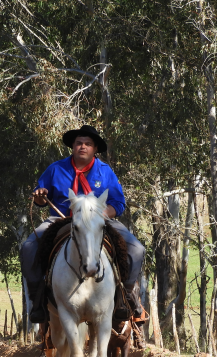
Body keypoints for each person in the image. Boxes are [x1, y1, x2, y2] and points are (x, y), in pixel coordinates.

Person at [20, 125, 146, 343]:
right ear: (73, 146)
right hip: (60, 219)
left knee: (137, 249)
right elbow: (40, 197)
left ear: (95, 148)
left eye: (88, 143)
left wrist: (102, 213)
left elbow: (119, 202)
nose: (83, 146)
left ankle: (126, 298)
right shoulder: (55, 169)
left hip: (99, 221)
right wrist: (39, 197)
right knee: (28, 247)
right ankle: (38, 301)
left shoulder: (105, 171)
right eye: (79, 143)